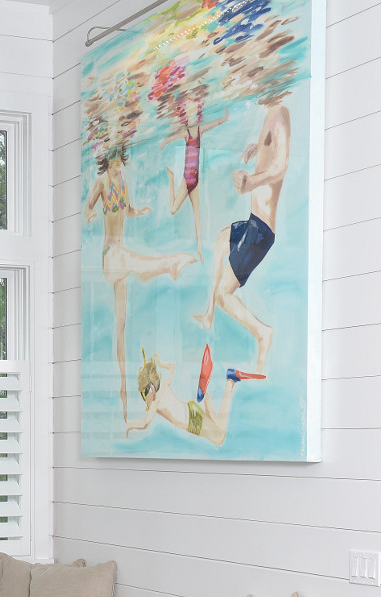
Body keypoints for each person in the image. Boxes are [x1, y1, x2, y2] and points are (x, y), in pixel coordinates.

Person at [84, 145, 196, 420]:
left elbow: (127, 210)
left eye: (118, 162)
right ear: (106, 162)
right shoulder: (100, 182)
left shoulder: (122, 182)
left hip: (120, 262)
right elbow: (88, 205)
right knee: (131, 259)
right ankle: (168, 264)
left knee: (121, 326)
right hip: (110, 257)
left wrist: (140, 211)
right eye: (112, 163)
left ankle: (123, 396)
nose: (117, 167)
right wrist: (88, 214)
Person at [193, 101, 291, 373]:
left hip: (260, 232)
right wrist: (258, 149)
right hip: (253, 223)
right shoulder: (270, 114)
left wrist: (251, 182)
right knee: (220, 239)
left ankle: (262, 333)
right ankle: (209, 315)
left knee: (226, 294)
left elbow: (280, 168)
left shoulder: (280, 114)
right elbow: (272, 155)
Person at [126, 349, 264, 447]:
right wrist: (161, 363)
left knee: (219, 438)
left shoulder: (156, 401)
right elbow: (173, 367)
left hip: (192, 421)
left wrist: (128, 425)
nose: (144, 397)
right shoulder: (165, 385)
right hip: (191, 408)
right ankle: (206, 392)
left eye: (144, 392)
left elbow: (144, 423)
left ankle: (229, 382)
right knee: (216, 425)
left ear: (150, 388)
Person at [161, 101, 229, 262]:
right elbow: (173, 137)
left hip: (195, 181)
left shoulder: (199, 130)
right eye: (188, 114)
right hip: (187, 180)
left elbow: (215, 123)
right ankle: (171, 179)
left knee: (198, 216)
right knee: (172, 209)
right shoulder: (186, 133)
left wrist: (224, 118)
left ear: (197, 115)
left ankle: (199, 248)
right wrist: (165, 141)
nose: (191, 117)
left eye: (193, 114)